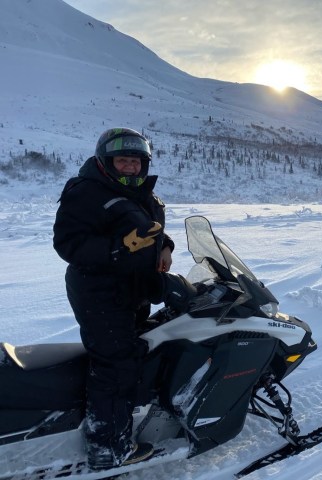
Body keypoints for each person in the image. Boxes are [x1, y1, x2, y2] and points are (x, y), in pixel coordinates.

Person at [53, 128, 197, 470]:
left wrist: (165, 246)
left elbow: (149, 231)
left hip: (133, 289)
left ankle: (135, 412)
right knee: (114, 363)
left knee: (139, 350)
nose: (130, 168)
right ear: (106, 162)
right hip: (99, 291)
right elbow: (67, 243)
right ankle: (107, 448)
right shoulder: (86, 191)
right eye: (123, 161)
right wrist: (118, 249)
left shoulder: (140, 193)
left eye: (135, 162)